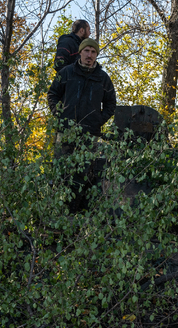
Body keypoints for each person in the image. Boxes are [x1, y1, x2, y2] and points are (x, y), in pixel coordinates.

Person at [47, 38, 117, 212]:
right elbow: (52, 94)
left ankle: (77, 213)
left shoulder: (102, 78)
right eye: (87, 51)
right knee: (61, 172)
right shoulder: (67, 72)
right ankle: (57, 212)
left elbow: (111, 104)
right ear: (80, 52)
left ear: (96, 56)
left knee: (84, 174)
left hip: (90, 134)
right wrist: (59, 114)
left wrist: (98, 120)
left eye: (93, 52)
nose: (89, 55)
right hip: (66, 132)